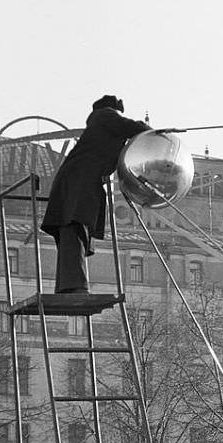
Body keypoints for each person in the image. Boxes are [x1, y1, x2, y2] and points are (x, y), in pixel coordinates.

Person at [41, 95, 149, 294]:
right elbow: (132, 126)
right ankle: (74, 285)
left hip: (77, 182)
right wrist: (153, 132)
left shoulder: (100, 127)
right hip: (78, 183)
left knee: (74, 232)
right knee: (75, 229)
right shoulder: (104, 116)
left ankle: (69, 285)